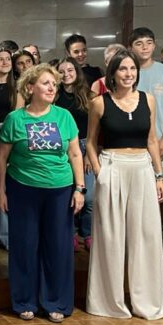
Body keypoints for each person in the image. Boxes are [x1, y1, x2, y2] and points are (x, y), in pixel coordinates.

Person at [85, 51, 163, 320]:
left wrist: (159, 176)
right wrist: (100, 172)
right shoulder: (99, 103)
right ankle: (108, 303)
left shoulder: (148, 99)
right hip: (112, 166)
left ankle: (148, 302)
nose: (128, 74)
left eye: (132, 69)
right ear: (113, 73)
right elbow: (90, 143)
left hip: (143, 168)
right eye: (122, 69)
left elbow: (152, 140)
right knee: (109, 237)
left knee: (146, 236)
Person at [0, 63, 85, 323]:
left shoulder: (64, 117)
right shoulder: (15, 119)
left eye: (54, 84)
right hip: (22, 188)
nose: (51, 88)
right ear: (29, 87)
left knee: (58, 247)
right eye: (46, 83)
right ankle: (25, 301)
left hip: (60, 190)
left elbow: (75, 154)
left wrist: (79, 188)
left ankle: (55, 301)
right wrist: (2, 190)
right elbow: (2, 157)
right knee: (24, 246)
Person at [128, 27, 163, 259]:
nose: (144, 47)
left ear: (154, 45)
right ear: (131, 47)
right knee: (137, 193)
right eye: (139, 43)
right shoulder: (128, 70)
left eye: (148, 42)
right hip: (134, 144)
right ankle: (140, 239)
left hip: (161, 142)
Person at [56, 57, 95, 250]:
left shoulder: (89, 96)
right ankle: (70, 233)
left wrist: (89, 154)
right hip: (62, 147)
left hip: (85, 146)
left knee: (89, 197)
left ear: (77, 72)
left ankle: (87, 233)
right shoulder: (54, 96)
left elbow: (95, 128)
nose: (66, 74)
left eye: (70, 70)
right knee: (67, 195)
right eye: (61, 71)